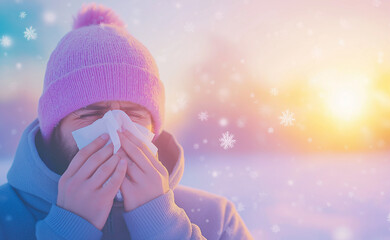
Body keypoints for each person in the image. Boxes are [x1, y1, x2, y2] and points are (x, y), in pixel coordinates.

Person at [0, 3, 253, 239]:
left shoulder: (217, 220)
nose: (115, 129)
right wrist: (69, 229)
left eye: (134, 114)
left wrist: (163, 227)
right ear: (53, 129)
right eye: (90, 113)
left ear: (154, 127)